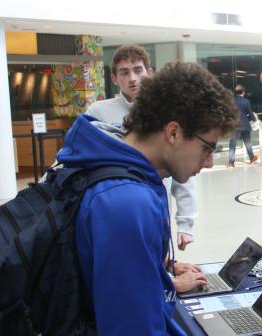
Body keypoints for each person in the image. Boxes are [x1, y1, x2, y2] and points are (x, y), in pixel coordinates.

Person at [57, 62, 238, 336]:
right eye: (207, 148)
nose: (209, 161)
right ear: (173, 132)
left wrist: (161, 264)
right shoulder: (127, 202)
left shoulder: (110, 157)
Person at [86, 45, 206, 292]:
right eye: (124, 72)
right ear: (115, 78)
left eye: (138, 70)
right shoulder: (98, 113)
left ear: (149, 72)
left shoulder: (169, 114)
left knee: (148, 247)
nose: (132, 78)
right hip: (114, 210)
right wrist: (171, 285)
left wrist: (185, 224)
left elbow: (182, 172)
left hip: (154, 208)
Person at [227, 84, 259, 169]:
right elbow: (250, 113)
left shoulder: (231, 101)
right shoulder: (246, 101)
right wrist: (255, 119)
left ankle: (231, 163)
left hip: (233, 125)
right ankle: (252, 159)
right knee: (247, 143)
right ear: (243, 92)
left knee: (232, 144)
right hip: (244, 125)